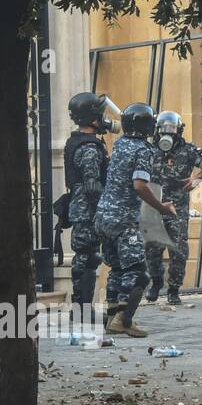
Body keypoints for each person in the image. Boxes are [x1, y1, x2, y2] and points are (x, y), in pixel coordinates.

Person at [95, 103, 174, 338]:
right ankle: (124, 319)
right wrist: (161, 207)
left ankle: (112, 318)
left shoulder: (120, 144)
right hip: (123, 219)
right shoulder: (144, 150)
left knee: (118, 268)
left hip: (103, 216)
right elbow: (139, 185)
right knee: (139, 272)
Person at [143, 111, 202, 305]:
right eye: (164, 129)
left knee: (179, 250)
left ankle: (173, 290)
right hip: (153, 206)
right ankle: (156, 284)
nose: (168, 134)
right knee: (152, 250)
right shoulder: (149, 150)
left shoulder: (189, 150)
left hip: (177, 209)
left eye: (172, 130)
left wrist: (197, 178)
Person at [62, 93, 116, 311]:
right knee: (87, 259)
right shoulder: (89, 147)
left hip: (82, 209)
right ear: (92, 118)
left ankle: (82, 309)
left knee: (86, 258)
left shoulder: (77, 141)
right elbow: (92, 185)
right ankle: (82, 310)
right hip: (88, 211)